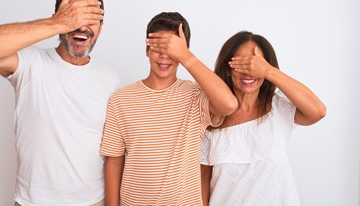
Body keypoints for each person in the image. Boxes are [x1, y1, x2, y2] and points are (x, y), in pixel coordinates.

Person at [0, 0, 120, 206]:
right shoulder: (30, 63)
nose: (81, 25)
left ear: (101, 27)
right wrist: (57, 23)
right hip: (32, 202)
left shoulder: (110, 78)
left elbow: (113, 154)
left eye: (91, 17)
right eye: (74, 15)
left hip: (92, 201)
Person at [100, 12, 238, 205]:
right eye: (158, 48)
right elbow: (114, 162)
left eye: (172, 49)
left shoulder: (196, 96)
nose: (164, 56)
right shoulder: (121, 100)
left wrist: (186, 56)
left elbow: (229, 105)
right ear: (147, 49)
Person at [200, 31, 326, 206]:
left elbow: (318, 111)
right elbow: (202, 181)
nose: (249, 72)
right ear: (228, 70)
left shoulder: (278, 108)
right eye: (242, 64)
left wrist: (268, 71)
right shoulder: (210, 120)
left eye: (255, 65)